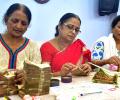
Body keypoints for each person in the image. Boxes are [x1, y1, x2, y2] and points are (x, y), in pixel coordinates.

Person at [0, 3, 41, 96]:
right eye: (15, 21)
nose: (18, 26)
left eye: (23, 23)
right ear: (6, 19)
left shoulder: (33, 47)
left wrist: (27, 76)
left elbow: (38, 77)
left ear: (27, 26)